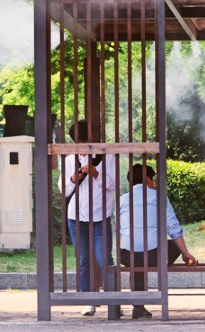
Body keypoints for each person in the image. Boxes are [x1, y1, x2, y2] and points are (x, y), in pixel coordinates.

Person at [119, 164, 196, 319]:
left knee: (137, 262)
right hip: (155, 257)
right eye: (152, 179)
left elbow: (118, 226)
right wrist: (185, 253)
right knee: (171, 245)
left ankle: (138, 307)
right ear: (148, 179)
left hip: (127, 256)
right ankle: (141, 306)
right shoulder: (159, 197)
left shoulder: (122, 200)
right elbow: (173, 227)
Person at [57, 119, 116, 316]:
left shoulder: (106, 157)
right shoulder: (68, 160)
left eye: (83, 141)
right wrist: (74, 178)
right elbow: (63, 191)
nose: (81, 146)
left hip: (101, 217)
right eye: (78, 142)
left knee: (103, 258)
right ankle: (88, 300)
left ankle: (113, 300)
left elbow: (113, 185)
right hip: (75, 218)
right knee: (83, 259)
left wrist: (96, 173)